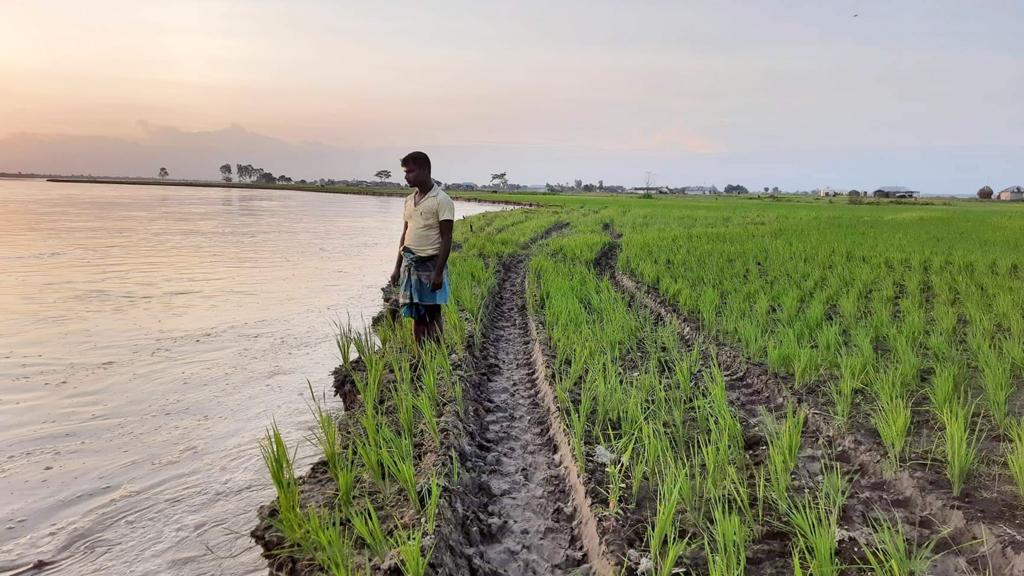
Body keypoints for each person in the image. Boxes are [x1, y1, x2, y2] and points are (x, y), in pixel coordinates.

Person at [389, 151, 454, 344]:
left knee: (433, 313)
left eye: (410, 171)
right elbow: (405, 235)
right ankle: (421, 356)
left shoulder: (442, 200)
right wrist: (396, 268)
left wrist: (438, 272)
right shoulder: (409, 200)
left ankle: (436, 354)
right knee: (417, 314)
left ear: (425, 170)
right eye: (405, 172)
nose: (406, 176)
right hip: (410, 265)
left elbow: (447, 238)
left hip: (431, 265)